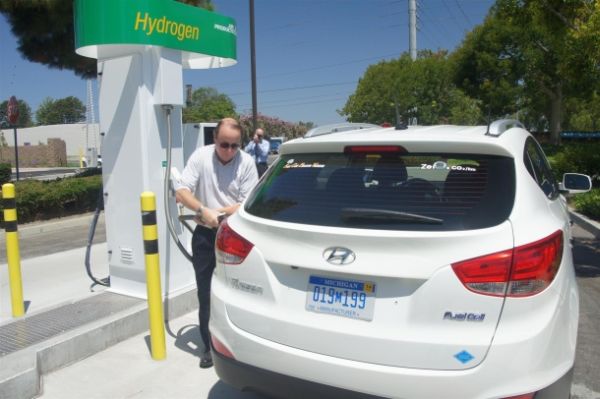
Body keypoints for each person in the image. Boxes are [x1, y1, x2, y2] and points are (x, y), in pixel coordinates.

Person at [175, 118, 258, 368]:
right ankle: (209, 346)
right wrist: (202, 209)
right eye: (225, 145)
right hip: (205, 235)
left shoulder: (247, 162)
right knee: (205, 292)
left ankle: (241, 341)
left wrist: (217, 212)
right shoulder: (200, 157)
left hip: (235, 235)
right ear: (215, 140)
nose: (230, 151)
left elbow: (246, 201)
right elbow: (181, 191)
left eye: (235, 145)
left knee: (242, 290)